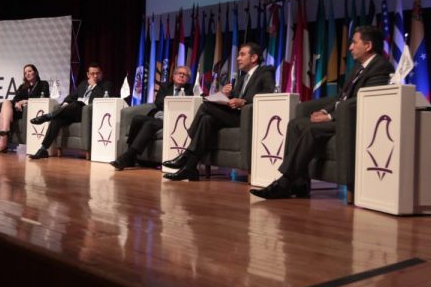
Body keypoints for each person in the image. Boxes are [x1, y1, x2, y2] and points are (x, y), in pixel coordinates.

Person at [250, 25, 394, 199]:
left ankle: (284, 182)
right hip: (340, 116)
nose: (350, 47)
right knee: (295, 124)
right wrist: (324, 110)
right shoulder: (358, 67)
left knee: (312, 129)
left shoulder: (381, 67)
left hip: (354, 121)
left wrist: (330, 116)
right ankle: (299, 183)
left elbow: (366, 101)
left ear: (368, 45)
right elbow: (342, 96)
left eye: (354, 43)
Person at [162, 43, 275, 181]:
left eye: (242, 54)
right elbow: (235, 97)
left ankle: (186, 154)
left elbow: (267, 93)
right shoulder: (242, 77)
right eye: (238, 54)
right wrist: (225, 94)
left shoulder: (266, 72)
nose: (238, 58)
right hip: (234, 114)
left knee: (205, 106)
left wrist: (244, 101)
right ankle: (190, 168)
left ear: (254, 58)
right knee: (206, 120)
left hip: (247, 118)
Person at [110, 65, 193, 170]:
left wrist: (171, 106)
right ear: (173, 76)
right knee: (137, 118)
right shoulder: (166, 86)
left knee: (149, 124)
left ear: (188, 79)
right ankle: (131, 157)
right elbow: (158, 102)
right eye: (179, 73)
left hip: (173, 119)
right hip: (160, 115)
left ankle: (128, 156)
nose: (182, 75)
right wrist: (171, 104)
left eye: (185, 74)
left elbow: (188, 106)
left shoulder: (189, 90)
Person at [28, 62, 114, 159]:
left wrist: (94, 85)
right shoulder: (83, 84)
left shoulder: (106, 85)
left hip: (88, 114)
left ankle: (48, 115)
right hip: (73, 112)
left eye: (97, 73)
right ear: (87, 74)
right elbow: (71, 97)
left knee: (77, 104)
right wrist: (65, 103)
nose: (95, 76)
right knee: (56, 120)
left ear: (101, 73)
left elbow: (104, 99)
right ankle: (43, 149)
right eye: (92, 73)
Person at [0, 64, 50, 153]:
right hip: (19, 110)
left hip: (31, 111)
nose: (27, 74)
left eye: (29, 71)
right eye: (25, 73)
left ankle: (3, 143)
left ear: (36, 72)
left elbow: (44, 97)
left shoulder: (43, 84)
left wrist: (25, 101)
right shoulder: (23, 86)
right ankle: (5, 132)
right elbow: (15, 99)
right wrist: (17, 103)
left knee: (1, 115)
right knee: (6, 102)